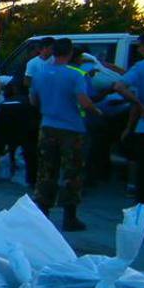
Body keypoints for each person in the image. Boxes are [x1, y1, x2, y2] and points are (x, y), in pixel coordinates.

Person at [31, 38, 103, 231]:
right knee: (72, 172)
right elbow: (84, 101)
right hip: (72, 130)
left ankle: (43, 214)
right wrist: (97, 113)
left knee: (47, 170)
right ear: (70, 53)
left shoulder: (41, 74)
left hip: (47, 127)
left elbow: (33, 99)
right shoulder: (76, 75)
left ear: (53, 52)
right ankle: (69, 217)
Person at [115, 32, 144, 213]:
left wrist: (140, 104)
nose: (139, 49)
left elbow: (119, 86)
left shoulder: (142, 67)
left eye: (140, 46)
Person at [0, 80, 39, 186]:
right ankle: (32, 179)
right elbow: (34, 119)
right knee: (30, 151)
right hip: (23, 126)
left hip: (3, 125)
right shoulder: (28, 101)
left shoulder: (4, 102)